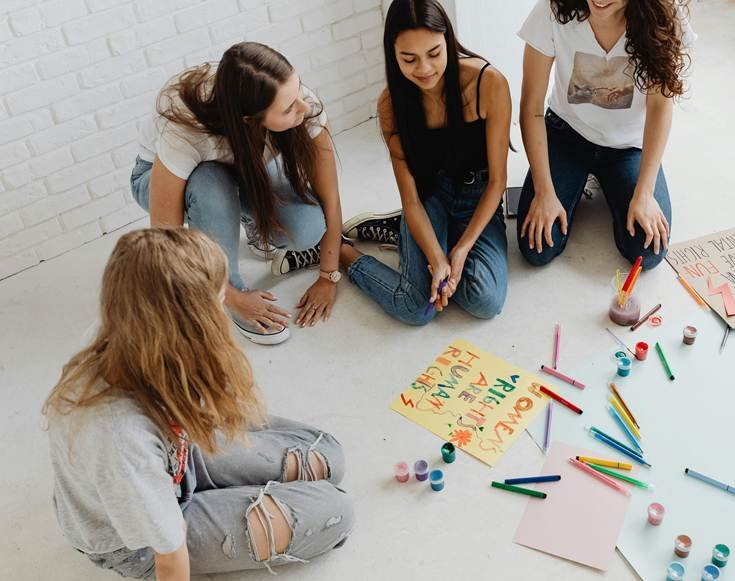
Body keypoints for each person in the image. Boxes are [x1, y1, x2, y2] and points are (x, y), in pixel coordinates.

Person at [44, 228, 353, 579]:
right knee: (336, 511)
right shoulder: (120, 438)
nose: (223, 308)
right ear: (188, 324)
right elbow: (169, 555)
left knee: (330, 457)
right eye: (218, 301)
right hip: (141, 545)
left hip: (177, 457)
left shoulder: (133, 322)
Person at [132, 42, 346, 344]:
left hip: (242, 168)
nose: (304, 106)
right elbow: (166, 240)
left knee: (308, 228)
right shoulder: (185, 129)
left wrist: (328, 276)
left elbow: (331, 198)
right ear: (249, 119)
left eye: (298, 90)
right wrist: (230, 296)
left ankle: (244, 222)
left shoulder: (293, 96)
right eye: (288, 108)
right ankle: (228, 282)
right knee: (210, 180)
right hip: (161, 181)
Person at [339, 0, 512, 326]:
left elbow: (497, 182)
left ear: (447, 40)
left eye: (434, 53)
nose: (425, 69)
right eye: (409, 59)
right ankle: (344, 252)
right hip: (429, 198)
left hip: (479, 196)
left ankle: (407, 235)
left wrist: (459, 252)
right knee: (415, 308)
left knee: (485, 301)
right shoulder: (391, 105)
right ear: (393, 55)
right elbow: (412, 198)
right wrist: (436, 258)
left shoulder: (488, 83)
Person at [517, 0, 696, 268]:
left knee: (646, 252)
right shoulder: (552, 9)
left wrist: (645, 193)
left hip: (628, 147)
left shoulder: (665, 16)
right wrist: (544, 192)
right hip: (567, 134)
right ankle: (582, 179)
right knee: (538, 247)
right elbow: (531, 107)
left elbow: (660, 107)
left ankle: (608, 179)